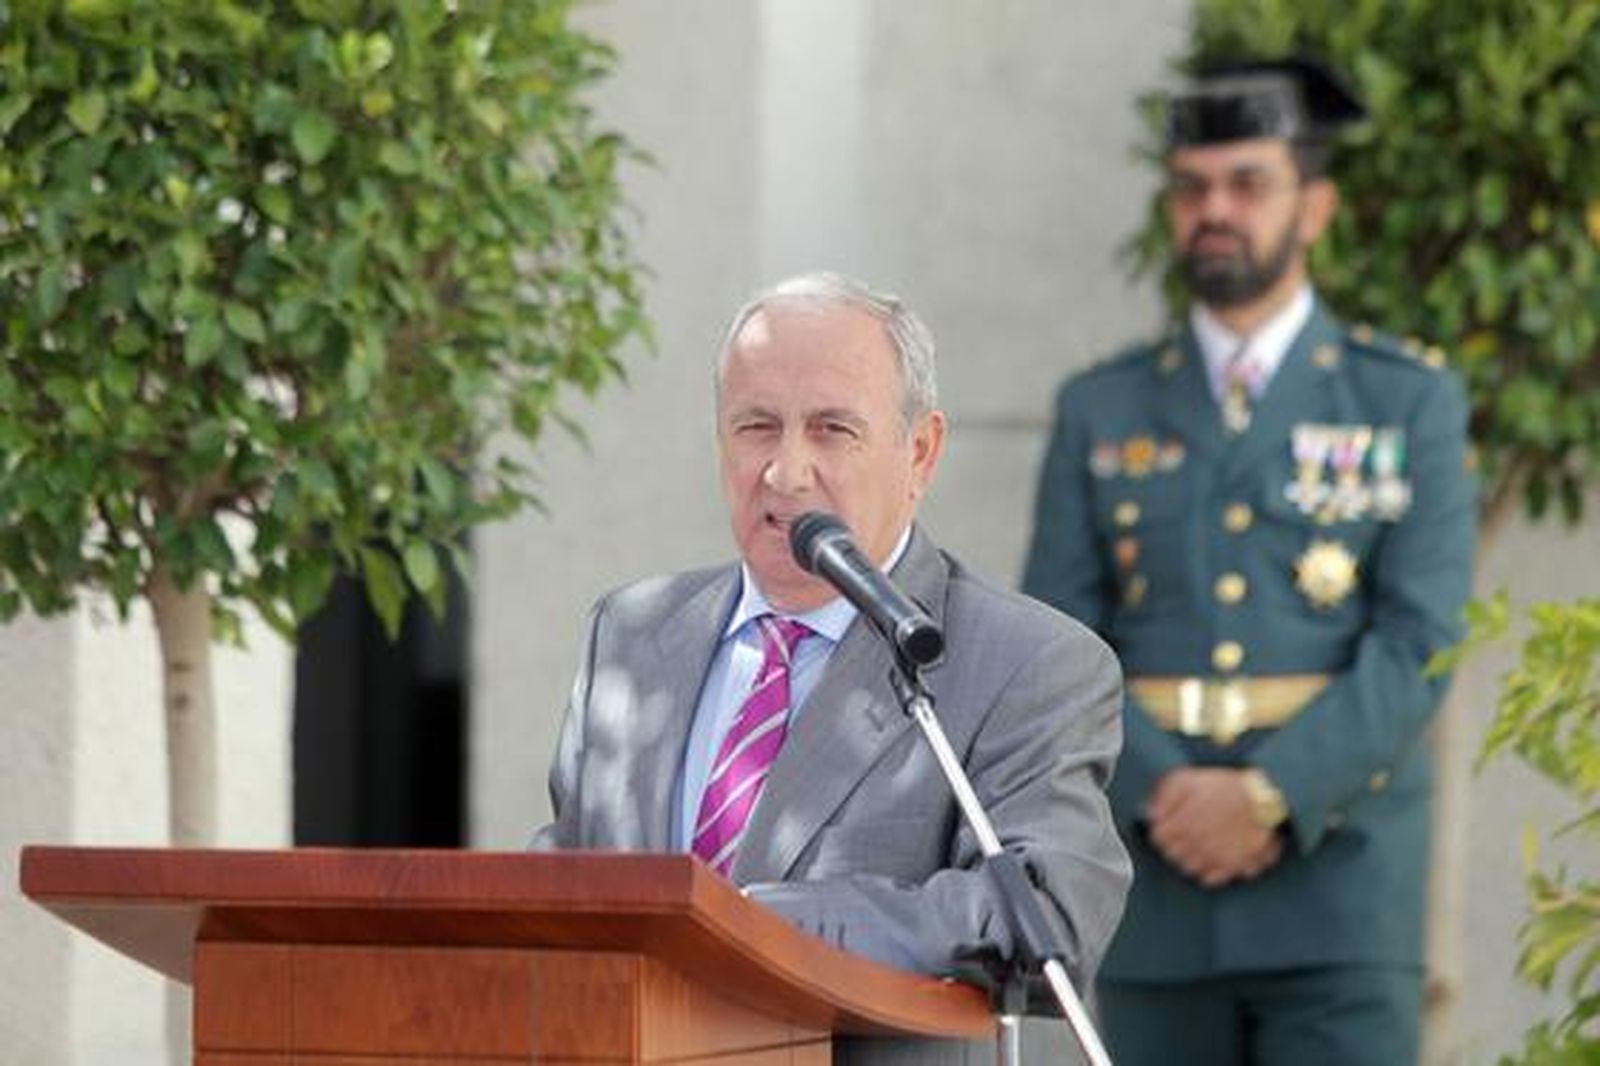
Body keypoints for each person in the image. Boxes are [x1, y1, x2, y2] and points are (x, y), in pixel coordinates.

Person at [533, 271, 1130, 1065]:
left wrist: (752, 924)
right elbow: (567, 890)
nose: (786, 471)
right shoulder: (631, 635)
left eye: (832, 429)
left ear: (920, 453)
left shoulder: (1028, 664)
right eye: (756, 426)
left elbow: (1048, 912)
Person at [1022, 58, 1477, 1066]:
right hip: (1153, 888)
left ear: (1314, 207)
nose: (1214, 210)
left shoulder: (1405, 400)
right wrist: (1163, 796)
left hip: (1340, 890)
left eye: (1247, 183)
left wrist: (1268, 794)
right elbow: (1058, 641)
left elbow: (1421, 641)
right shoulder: (1101, 406)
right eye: (1191, 188)